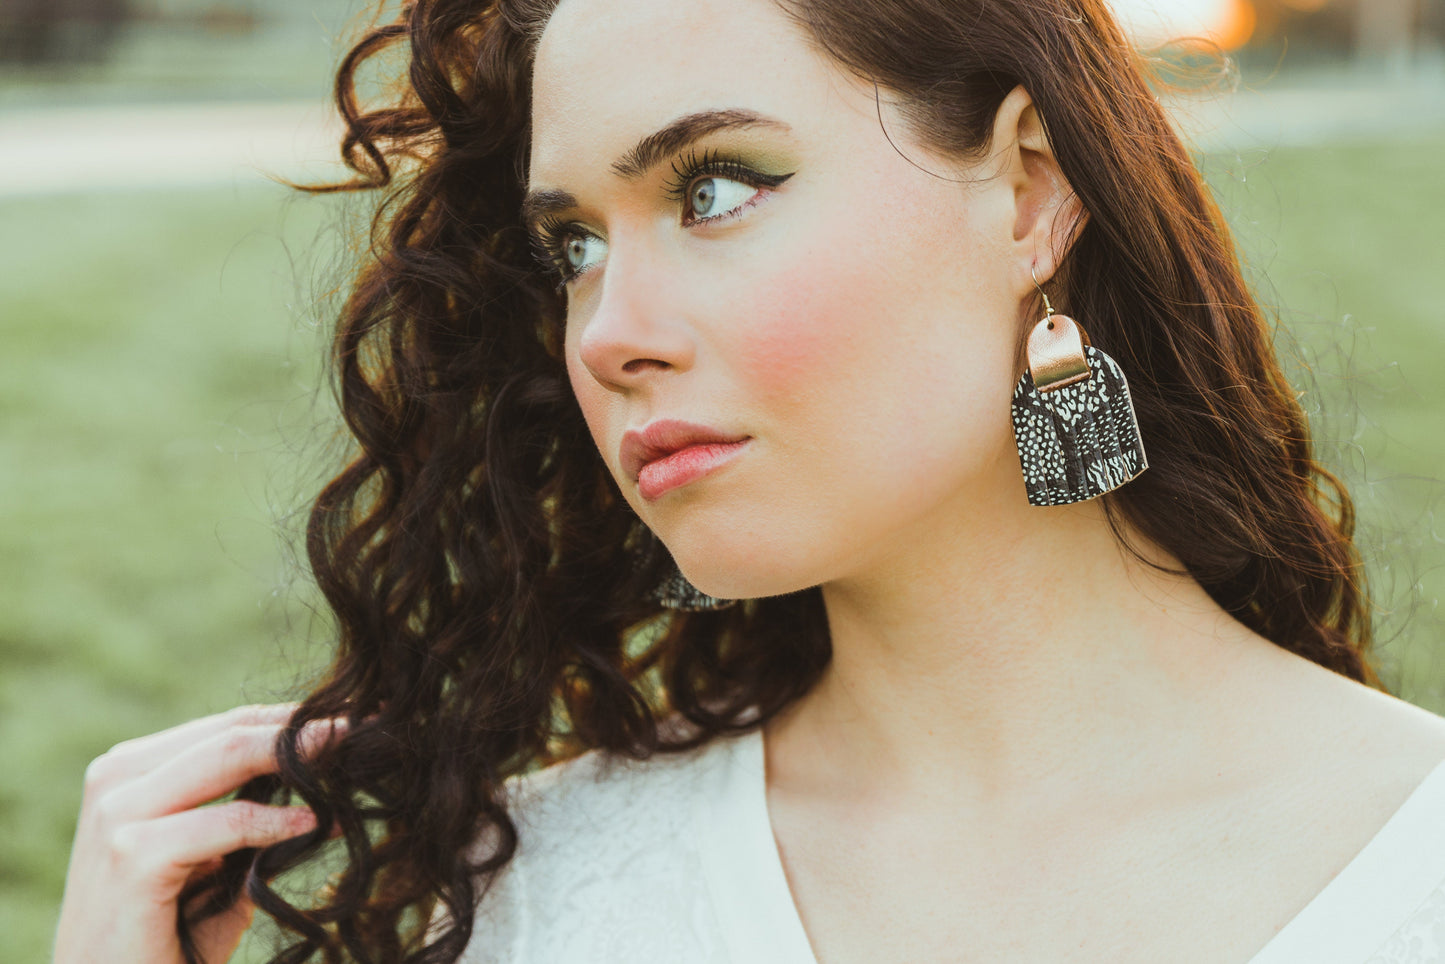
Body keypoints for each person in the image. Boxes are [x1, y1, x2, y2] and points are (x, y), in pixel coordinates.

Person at [52, 0, 1445, 961]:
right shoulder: (531, 900)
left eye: (716, 190)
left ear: (1027, 190)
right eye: (571, 247)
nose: (608, 334)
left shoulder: (1409, 874)